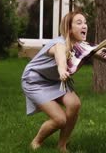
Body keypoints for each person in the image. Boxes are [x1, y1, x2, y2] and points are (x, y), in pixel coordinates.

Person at [21, 11, 87, 152]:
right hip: (35, 80)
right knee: (60, 119)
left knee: (74, 103)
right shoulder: (59, 43)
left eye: (85, 22)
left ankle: (62, 145)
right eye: (79, 22)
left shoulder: (81, 47)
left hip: (54, 80)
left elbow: (101, 53)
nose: (84, 26)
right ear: (69, 29)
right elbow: (60, 56)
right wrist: (62, 69)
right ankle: (36, 142)